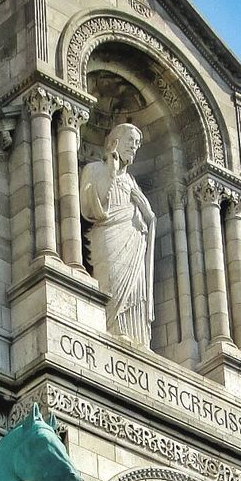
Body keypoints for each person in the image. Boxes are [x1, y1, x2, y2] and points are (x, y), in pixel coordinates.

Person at [80, 122, 156, 346]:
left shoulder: (132, 181)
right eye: (130, 142)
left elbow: (148, 219)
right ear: (115, 142)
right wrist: (111, 175)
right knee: (111, 280)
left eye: (137, 144)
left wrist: (149, 215)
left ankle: (137, 337)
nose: (134, 147)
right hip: (108, 237)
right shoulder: (94, 169)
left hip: (134, 242)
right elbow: (89, 209)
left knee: (135, 290)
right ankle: (112, 326)